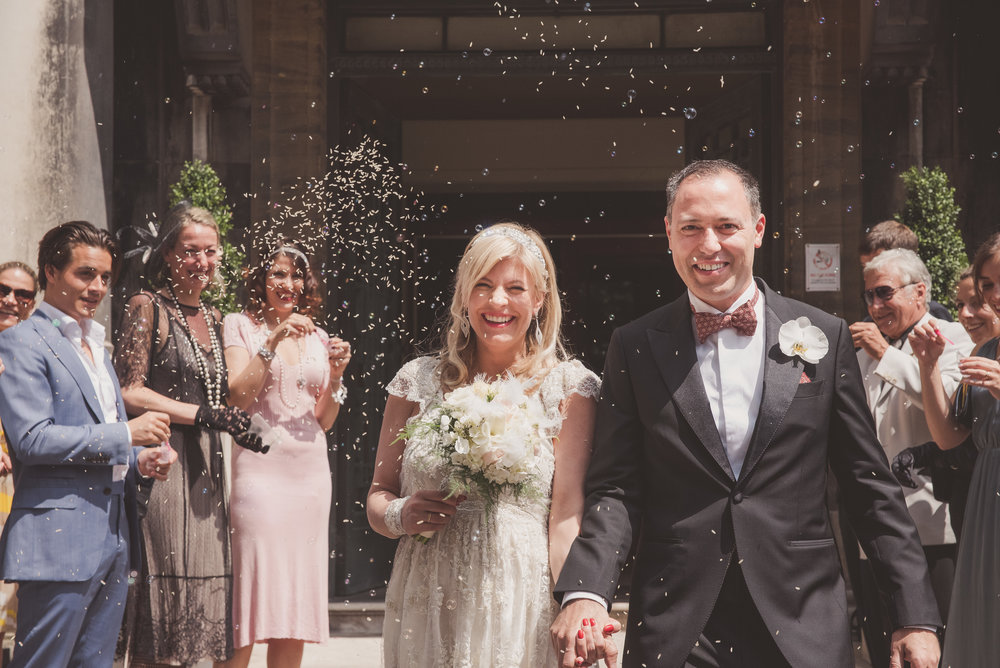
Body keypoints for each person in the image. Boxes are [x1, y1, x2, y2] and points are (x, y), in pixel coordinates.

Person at [551, 160, 941, 668]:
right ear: (668, 234)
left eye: (726, 226)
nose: (708, 245)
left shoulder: (825, 335)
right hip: (679, 624)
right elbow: (617, 490)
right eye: (690, 227)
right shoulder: (635, 346)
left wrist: (914, 614)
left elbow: (869, 486)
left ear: (758, 231)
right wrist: (586, 590)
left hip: (803, 620)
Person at [367, 222, 600, 667]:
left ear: (539, 300)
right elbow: (378, 494)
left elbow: (566, 515)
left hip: (520, 595)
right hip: (427, 593)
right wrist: (402, 514)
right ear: (463, 296)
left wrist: (576, 604)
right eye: (483, 286)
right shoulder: (415, 382)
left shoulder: (569, 387)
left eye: (515, 288)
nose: (497, 302)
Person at [0, 221, 175, 668]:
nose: (97, 287)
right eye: (85, 274)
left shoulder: (95, 345)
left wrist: (140, 459)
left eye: (105, 278)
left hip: (115, 535)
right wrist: (125, 436)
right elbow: (32, 439)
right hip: (57, 540)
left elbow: (100, 438)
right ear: (50, 273)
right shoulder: (20, 342)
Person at [115, 203, 263, 667]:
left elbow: (225, 393)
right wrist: (200, 415)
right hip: (163, 464)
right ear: (168, 254)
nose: (202, 261)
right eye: (190, 251)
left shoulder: (219, 319)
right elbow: (128, 390)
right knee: (165, 586)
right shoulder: (147, 307)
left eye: (210, 251)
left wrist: (236, 424)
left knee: (208, 593)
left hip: (210, 468)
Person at [219, 241, 351, 667]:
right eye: (278, 274)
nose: (288, 283)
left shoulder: (319, 335)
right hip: (260, 472)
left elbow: (324, 419)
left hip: (310, 476)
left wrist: (336, 375)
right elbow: (237, 397)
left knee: (294, 604)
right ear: (261, 278)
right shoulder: (241, 325)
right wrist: (273, 338)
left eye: (296, 276)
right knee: (249, 596)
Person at [849, 248, 971, 662]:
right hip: (878, 530)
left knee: (938, 652)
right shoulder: (868, 354)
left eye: (884, 293)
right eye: (868, 296)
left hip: (933, 527)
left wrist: (886, 356)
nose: (875, 306)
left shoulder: (954, 336)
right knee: (884, 648)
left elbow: (954, 413)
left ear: (920, 292)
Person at [909, 231, 1000, 667]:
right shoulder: (989, 349)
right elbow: (951, 439)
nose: (994, 295)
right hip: (986, 499)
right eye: (987, 283)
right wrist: (928, 366)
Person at [892, 266, 997, 540]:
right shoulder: (979, 352)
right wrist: (929, 365)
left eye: (976, 303)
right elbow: (950, 437)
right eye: (960, 305)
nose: (964, 315)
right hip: (975, 498)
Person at [0, 261, 37, 652]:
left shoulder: (30, 354)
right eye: (3, 290)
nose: (10, 300)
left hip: (16, 496)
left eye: (22, 294)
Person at [859, 220, 952, 321]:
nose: (867, 275)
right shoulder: (871, 321)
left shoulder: (934, 314)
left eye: (878, 264)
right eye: (864, 267)